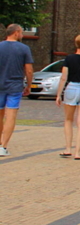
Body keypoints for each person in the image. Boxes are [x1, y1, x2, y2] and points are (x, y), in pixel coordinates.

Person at [0, 24, 35, 157]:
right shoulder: (24, 48)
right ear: (15, 33)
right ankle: (3, 146)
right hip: (14, 86)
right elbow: (29, 70)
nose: (22, 35)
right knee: (11, 115)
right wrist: (29, 85)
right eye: (21, 32)